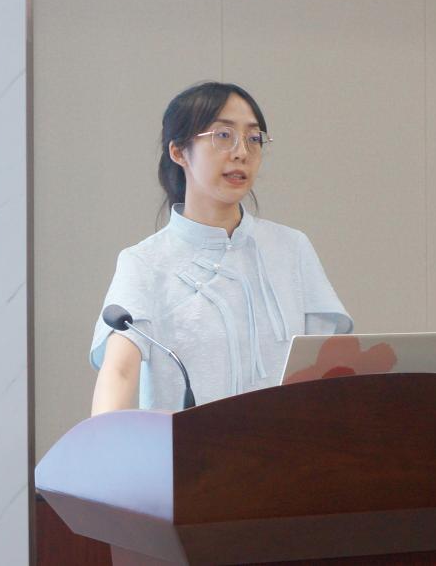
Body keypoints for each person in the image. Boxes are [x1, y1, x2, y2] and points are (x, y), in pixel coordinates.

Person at [89, 82, 352, 414]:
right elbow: (119, 371)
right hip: (185, 446)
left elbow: (326, 370)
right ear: (179, 152)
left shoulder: (291, 248)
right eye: (223, 135)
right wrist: (103, 439)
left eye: (253, 138)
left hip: (287, 444)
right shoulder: (144, 262)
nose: (242, 152)